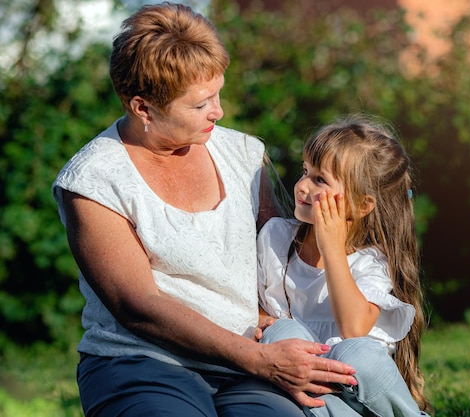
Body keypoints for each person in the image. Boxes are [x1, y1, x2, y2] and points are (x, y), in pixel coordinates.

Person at [51, 3, 358, 416]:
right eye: (199, 105)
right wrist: (259, 361)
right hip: (142, 364)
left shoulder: (244, 153)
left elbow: (280, 255)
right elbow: (136, 305)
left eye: (218, 94)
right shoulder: (93, 180)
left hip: (252, 362)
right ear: (142, 107)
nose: (219, 112)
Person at [256, 114, 434, 416]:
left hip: (361, 389)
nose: (301, 186)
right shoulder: (275, 236)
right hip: (307, 392)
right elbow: (253, 304)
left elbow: (354, 328)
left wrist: (332, 248)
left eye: (319, 180)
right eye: (305, 172)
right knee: (282, 333)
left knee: (358, 352)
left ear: (363, 205)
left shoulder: (372, 260)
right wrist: (262, 320)